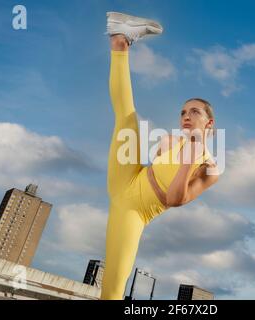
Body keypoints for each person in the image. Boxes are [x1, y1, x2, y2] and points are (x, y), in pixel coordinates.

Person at [101, 11, 220, 300]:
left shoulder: (211, 167)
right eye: (182, 112)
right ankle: (120, 42)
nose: (186, 116)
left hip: (135, 211)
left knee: (114, 287)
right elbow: (153, 160)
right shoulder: (170, 139)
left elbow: (174, 200)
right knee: (127, 119)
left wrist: (189, 160)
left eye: (194, 111)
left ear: (209, 122)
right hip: (128, 177)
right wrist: (171, 147)